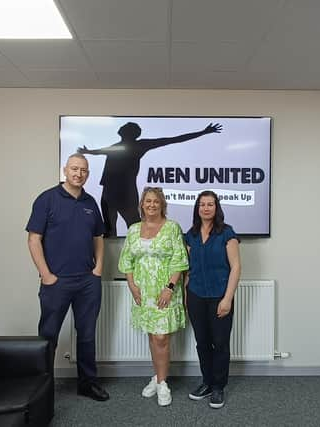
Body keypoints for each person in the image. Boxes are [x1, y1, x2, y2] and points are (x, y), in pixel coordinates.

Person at [25, 153, 109, 402]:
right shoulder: (47, 199)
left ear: (88, 174)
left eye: (83, 170)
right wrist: (46, 275)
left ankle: (87, 384)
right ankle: (42, 388)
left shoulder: (90, 202)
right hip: (56, 282)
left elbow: (98, 238)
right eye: (74, 169)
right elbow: (33, 239)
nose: (78, 174)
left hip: (87, 281)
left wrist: (98, 269)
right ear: (65, 170)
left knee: (87, 335)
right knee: (48, 334)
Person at [78, 122, 222, 237]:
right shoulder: (116, 147)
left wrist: (203, 132)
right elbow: (98, 151)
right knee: (110, 230)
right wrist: (87, 152)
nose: (121, 130)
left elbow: (171, 140)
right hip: (109, 192)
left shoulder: (139, 145)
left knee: (135, 227)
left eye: (125, 129)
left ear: (129, 133)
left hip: (125, 193)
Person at [118, 187, 189, 406]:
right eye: (147, 201)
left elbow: (179, 259)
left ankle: (162, 383)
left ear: (162, 205)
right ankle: (158, 377)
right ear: (142, 204)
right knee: (152, 335)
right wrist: (131, 285)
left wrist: (169, 287)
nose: (151, 205)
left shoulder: (172, 228)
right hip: (143, 292)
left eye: (156, 201)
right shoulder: (133, 229)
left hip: (165, 291)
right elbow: (126, 261)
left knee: (161, 337)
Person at [184, 190, 241, 409]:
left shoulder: (227, 233)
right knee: (202, 343)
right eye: (202, 204)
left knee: (220, 343)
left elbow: (236, 267)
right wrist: (185, 295)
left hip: (220, 296)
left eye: (210, 204)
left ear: (216, 208)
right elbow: (187, 270)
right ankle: (207, 382)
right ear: (197, 208)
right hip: (196, 296)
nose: (206, 208)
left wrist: (228, 298)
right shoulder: (191, 235)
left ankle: (218, 387)